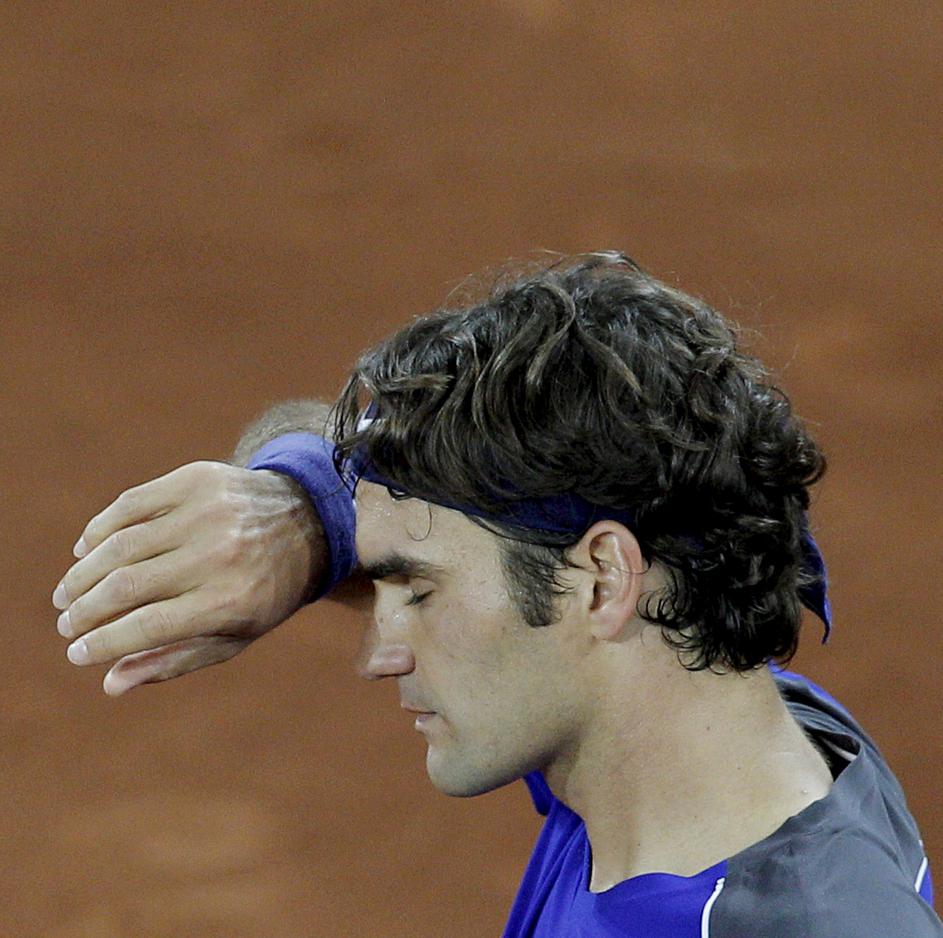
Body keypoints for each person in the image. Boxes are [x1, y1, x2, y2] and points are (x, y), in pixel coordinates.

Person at [53, 253, 942, 936]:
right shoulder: (700, 728)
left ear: (603, 580)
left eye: (416, 590)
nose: (377, 652)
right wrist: (305, 516)